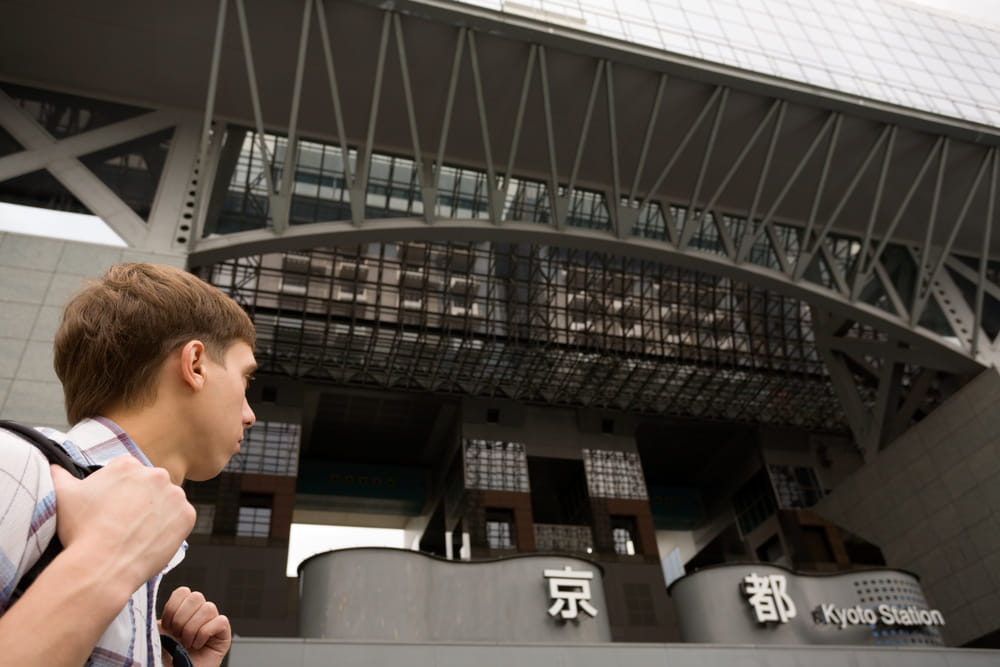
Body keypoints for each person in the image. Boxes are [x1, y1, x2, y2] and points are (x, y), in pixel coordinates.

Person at [0, 262, 258, 666]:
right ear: (195, 365)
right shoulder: (15, 466)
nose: (249, 414)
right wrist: (106, 562)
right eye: (245, 380)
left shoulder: (142, 554)